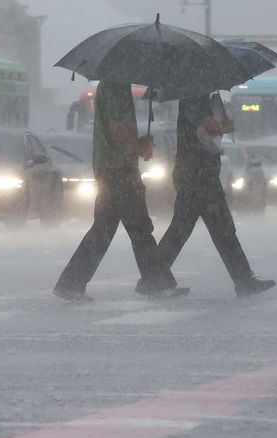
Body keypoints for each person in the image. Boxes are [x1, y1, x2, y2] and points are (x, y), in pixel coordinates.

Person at [53, 80, 189, 302]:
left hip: (113, 167)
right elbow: (116, 127)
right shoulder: (115, 87)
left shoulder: (115, 85)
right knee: (139, 228)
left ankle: (71, 283)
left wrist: (138, 143)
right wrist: (137, 146)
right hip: (118, 169)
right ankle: (156, 284)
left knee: (105, 229)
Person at [155, 93, 276, 297]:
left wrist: (221, 117)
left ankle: (153, 277)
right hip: (197, 175)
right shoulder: (195, 96)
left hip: (199, 174)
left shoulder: (204, 96)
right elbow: (209, 126)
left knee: (199, 229)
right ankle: (243, 280)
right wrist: (225, 126)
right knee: (213, 229)